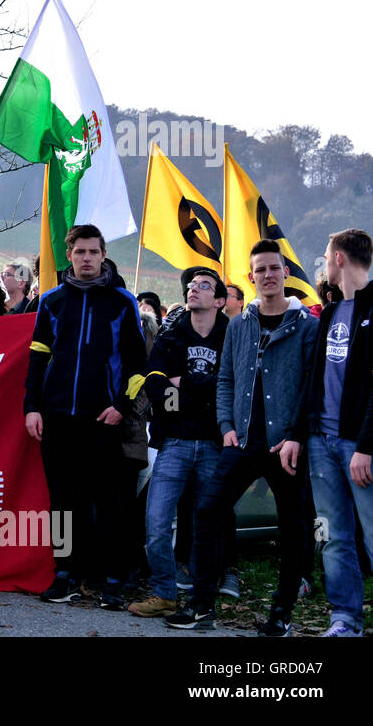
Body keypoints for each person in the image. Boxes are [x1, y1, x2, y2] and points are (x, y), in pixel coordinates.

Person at [168, 239, 318, 634]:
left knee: (292, 528)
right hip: (241, 441)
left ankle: (281, 613)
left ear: (286, 273)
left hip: (285, 446)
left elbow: (310, 389)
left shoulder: (307, 327)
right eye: (260, 270)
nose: (268, 275)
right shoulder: (239, 326)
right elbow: (226, 382)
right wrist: (226, 427)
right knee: (207, 511)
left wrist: (296, 438)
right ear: (251, 278)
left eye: (274, 268)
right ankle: (201, 605)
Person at [24, 224, 147, 609]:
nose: (88, 258)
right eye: (80, 252)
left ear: (103, 254)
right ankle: (65, 574)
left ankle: (113, 578)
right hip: (58, 418)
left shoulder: (123, 301)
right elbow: (38, 356)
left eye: (94, 252)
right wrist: (32, 406)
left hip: (104, 420)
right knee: (62, 500)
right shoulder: (52, 301)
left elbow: (138, 364)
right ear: (70, 256)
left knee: (110, 501)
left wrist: (122, 407)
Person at [127, 268, 229, 618]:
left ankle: (202, 601)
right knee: (156, 523)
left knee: (206, 526)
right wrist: (192, 393)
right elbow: (155, 383)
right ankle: (164, 594)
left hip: (215, 444)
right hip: (174, 442)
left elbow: (226, 386)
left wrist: (185, 385)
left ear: (219, 300)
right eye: (191, 286)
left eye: (204, 286)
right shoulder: (171, 334)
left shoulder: (230, 335)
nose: (193, 290)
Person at [303, 228, 373, 637]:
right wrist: (304, 434)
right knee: (331, 535)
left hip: (359, 447)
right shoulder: (329, 312)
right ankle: (345, 619)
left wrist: (365, 445)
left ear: (341, 259)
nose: (325, 264)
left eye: (328, 256)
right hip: (320, 444)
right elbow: (316, 380)